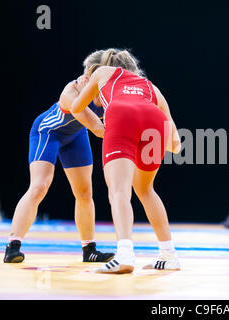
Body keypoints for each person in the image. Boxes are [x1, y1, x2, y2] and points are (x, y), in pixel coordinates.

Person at [67, 49, 182, 274]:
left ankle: (125, 255)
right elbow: (176, 142)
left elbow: (76, 107)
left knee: (119, 190)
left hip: (121, 115)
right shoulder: (151, 87)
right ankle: (169, 255)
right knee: (146, 190)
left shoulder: (103, 73)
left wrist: (86, 94)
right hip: (154, 120)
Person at [3, 49, 121, 263]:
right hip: (47, 132)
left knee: (85, 192)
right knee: (39, 186)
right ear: (87, 78)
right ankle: (13, 245)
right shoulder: (71, 92)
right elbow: (97, 127)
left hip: (76, 135)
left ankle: (89, 250)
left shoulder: (105, 89)